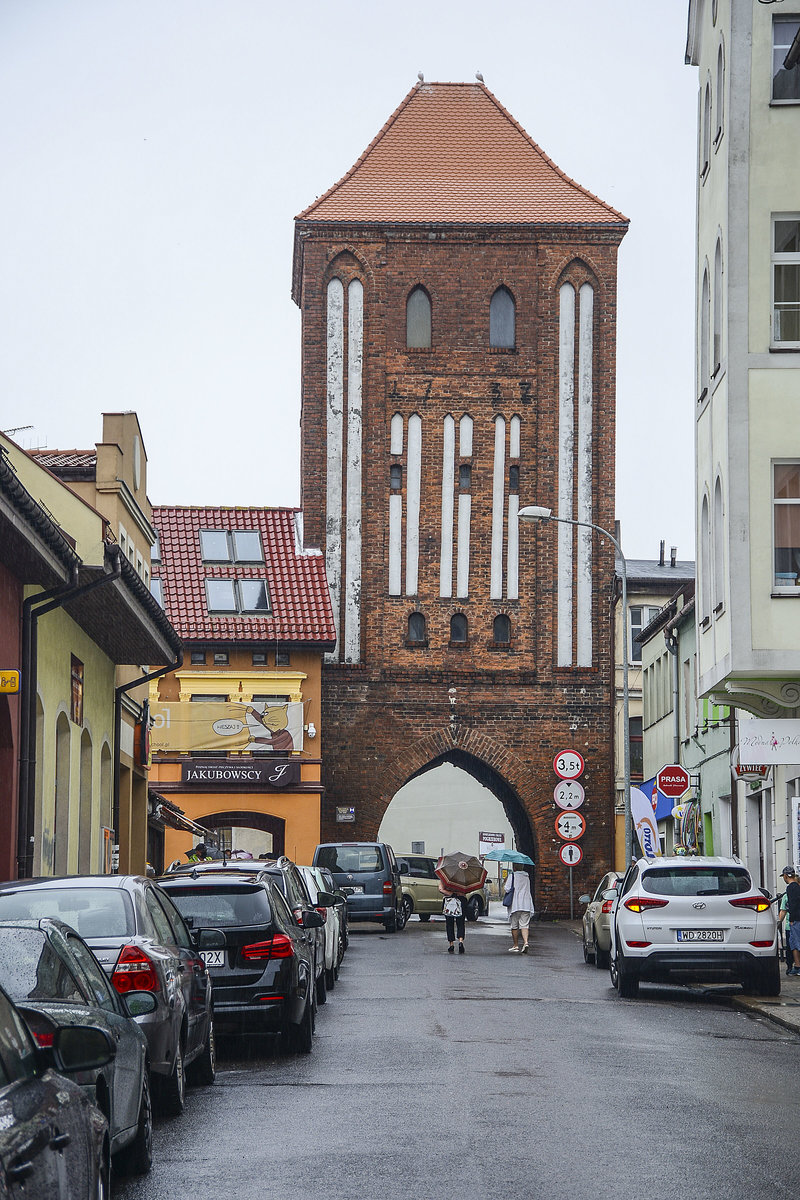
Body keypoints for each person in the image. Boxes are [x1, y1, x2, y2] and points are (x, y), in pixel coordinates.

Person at [504, 866, 535, 953]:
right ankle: (526, 943)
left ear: (514, 867)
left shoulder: (512, 876)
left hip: (515, 904)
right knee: (524, 925)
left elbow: (507, 889)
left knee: (514, 926)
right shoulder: (527, 876)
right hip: (526, 903)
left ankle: (516, 945)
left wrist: (506, 881)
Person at [780, 865, 800, 977]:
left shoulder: (791, 888)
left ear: (786, 876)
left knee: (795, 944)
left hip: (795, 920)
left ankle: (797, 967)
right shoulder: (797, 887)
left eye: (783, 876)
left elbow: (793, 904)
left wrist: (791, 919)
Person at [438, 880, 466, 954]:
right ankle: (461, 941)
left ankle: (451, 944)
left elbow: (441, 889)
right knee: (460, 922)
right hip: (461, 899)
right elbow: (466, 890)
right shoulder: (463, 877)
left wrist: (451, 893)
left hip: (448, 900)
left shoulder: (445, 877)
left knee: (449, 923)